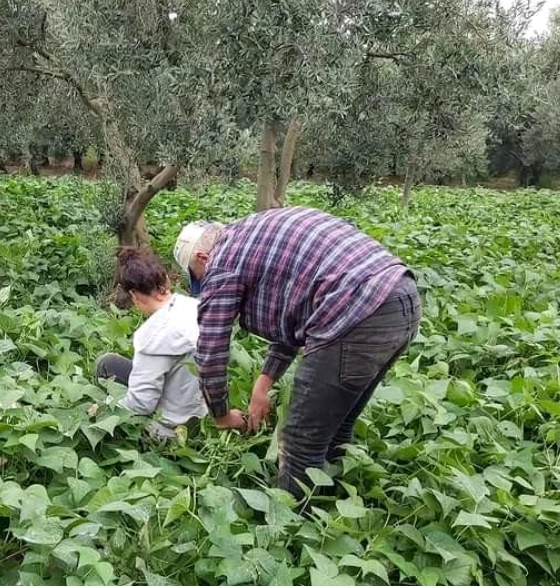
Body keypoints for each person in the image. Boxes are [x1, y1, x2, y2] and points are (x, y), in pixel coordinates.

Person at [173, 209, 420, 499]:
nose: (206, 284)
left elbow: (211, 350)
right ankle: (333, 509)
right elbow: (295, 314)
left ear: (203, 258)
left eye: (200, 278)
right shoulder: (253, 233)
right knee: (335, 429)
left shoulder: (223, 263)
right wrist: (263, 385)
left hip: (356, 308)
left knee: (300, 443)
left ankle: (294, 530)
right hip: (401, 298)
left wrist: (222, 416)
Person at [95, 247, 208, 438]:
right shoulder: (196, 307)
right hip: (203, 413)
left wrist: (105, 408)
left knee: (104, 377)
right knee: (109, 363)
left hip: (170, 430)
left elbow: (141, 404)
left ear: (135, 296)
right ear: (166, 281)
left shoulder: (152, 336)